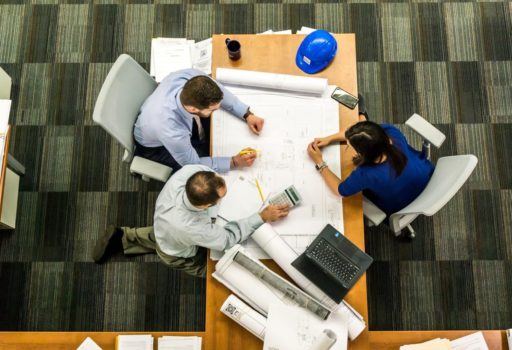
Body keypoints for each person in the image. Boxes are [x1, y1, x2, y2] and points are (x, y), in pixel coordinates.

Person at [92, 164, 289, 277]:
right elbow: (226, 239)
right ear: (205, 206)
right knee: (212, 268)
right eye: (222, 197)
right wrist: (261, 216)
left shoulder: (191, 172)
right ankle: (127, 240)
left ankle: (123, 237)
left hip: (164, 224)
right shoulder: (192, 228)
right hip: (176, 250)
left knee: (161, 235)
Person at [306, 97, 433, 239]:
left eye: (349, 145)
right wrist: (329, 138)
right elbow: (364, 132)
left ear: (363, 154)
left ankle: (362, 115)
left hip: (401, 204)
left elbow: (339, 190)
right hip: (427, 177)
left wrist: (320, 162)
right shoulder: (391, 133)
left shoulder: (366, 174)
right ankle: (362, 114)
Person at [134, 68, 265, 173]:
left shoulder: (190, 77)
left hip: (157, 116)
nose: (216, 110)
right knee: (202, 166)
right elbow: (193, 164)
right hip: (156, 148)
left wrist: (247, 114)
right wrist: (234, 162)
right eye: (213, 109)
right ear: (192, 108)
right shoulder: (172, 131)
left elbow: (220, 92)